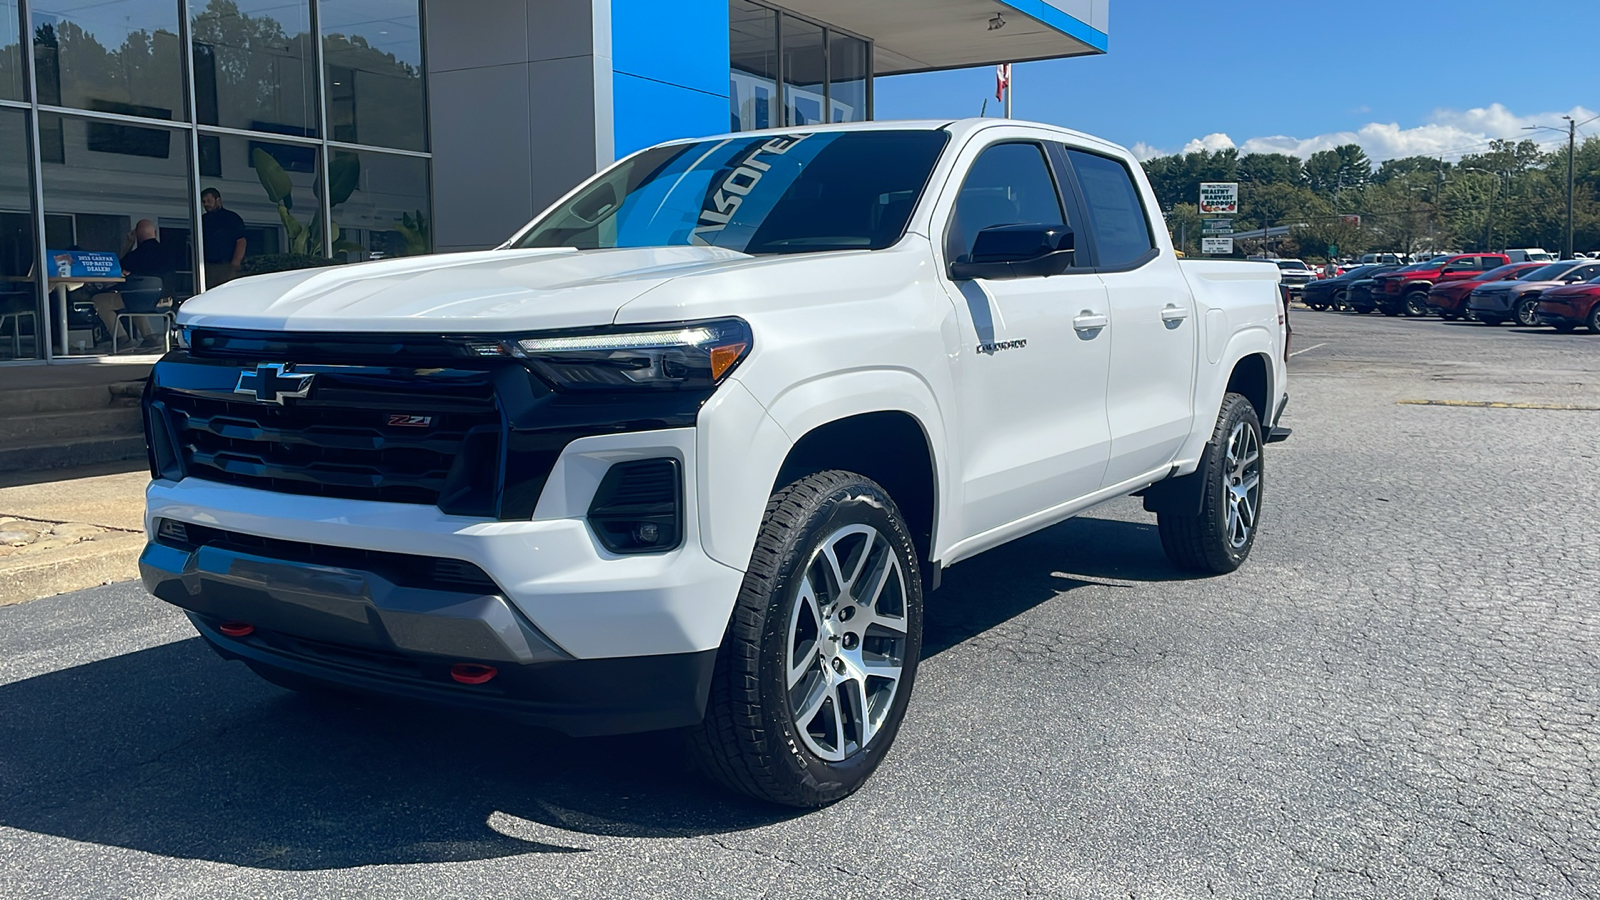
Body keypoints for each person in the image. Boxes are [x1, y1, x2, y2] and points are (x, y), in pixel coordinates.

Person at [201, 188, 246, 288]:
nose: (206, 204)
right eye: (204, 202)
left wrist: (235, 264)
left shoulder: (231, 218)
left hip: (226, 265)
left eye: (209, 201)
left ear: (218, 200)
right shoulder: (202, 220)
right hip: (207, 266)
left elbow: (241, 241)